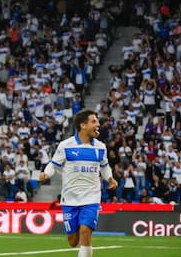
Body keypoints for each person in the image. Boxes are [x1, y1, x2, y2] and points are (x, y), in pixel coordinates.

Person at [39, 109, 118, 257]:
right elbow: (53, 165)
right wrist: (46, 174)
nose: (98, 124)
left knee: (85, 232)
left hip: (92, 197)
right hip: (70, 198)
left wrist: (110, 178)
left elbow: (105, 166)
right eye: (94, 121)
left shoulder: (100, 147)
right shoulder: (66, 145)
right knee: (73, 240)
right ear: (83, 125)